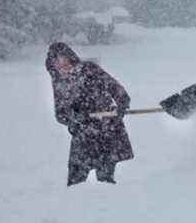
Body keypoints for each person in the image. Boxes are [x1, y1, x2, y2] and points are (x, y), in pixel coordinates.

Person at [45, 42, 133, 185]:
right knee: (75, 177)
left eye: (63, 60)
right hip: (84, 132)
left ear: (70, 58)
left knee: (105, 177)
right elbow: (60, 113)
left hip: (107, 127)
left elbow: (113, 86)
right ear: (53, 65)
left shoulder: (89, 69)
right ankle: (73, 203)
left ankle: (108, 202)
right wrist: (73, 118)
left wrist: (122, 103)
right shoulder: (59, 82)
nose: (62, 66)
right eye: (57, 63)